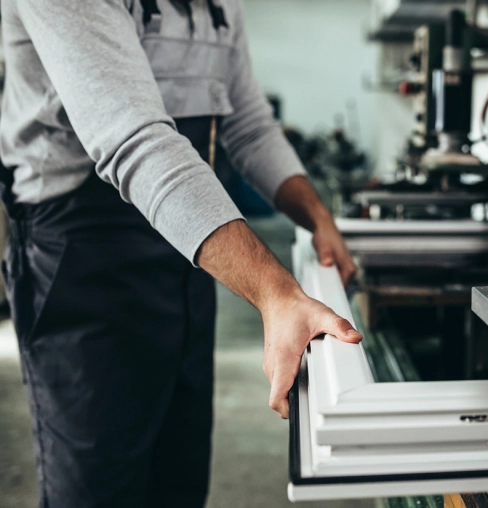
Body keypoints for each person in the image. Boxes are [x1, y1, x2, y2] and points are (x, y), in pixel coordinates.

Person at [0, 0, 361, 506]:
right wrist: (276, 294)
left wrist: (318, 218)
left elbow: (249, 124)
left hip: (191, 244)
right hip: (82, 261)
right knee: (96, 484)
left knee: (179, 474)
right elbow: (134, 137)